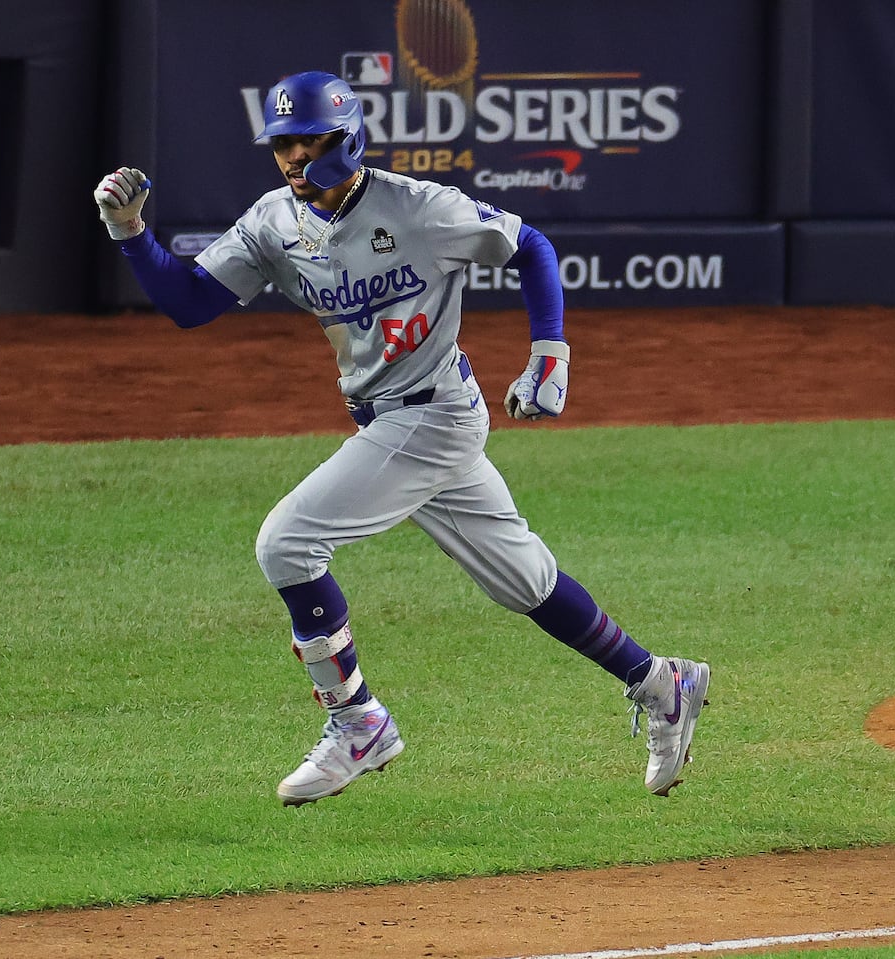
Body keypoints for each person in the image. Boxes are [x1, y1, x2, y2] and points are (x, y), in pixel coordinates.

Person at [94, 71, 710, 806]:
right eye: (281, 143)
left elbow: (531, 246)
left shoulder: (419, 208)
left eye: (307, 139)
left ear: (346, 135)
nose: (292, 156)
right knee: (527, 583)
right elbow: (192, 302)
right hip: (393, 418)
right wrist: (130, 232)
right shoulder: (273, 223)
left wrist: (550, 355)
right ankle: (662, 682)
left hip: (434, 414)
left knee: (285, 543)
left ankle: (358, 721)